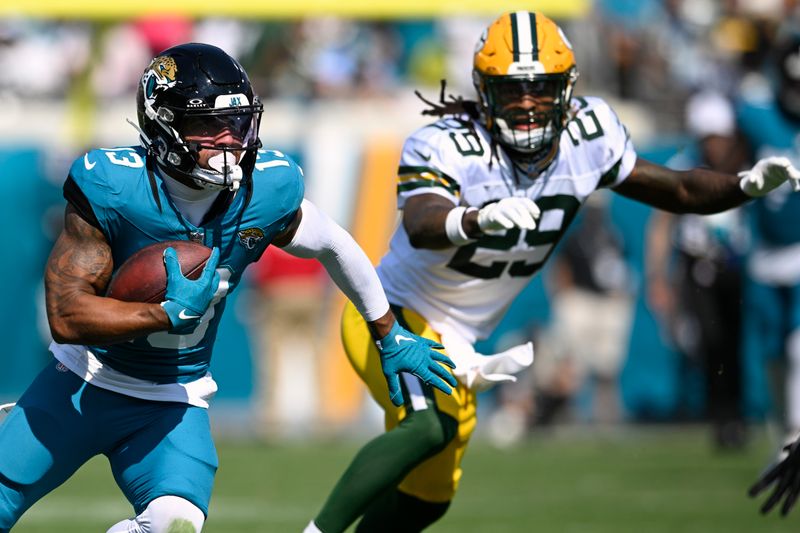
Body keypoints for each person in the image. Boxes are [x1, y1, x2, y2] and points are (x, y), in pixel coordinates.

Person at [304, 11, 800, 533]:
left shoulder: (589, 136)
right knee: (429, 428)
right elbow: (424, 220)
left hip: (460, 337)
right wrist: (475, 219)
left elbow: (675, 189)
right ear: (484, 91)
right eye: (512, 89)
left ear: (565, 89)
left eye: (540, 88)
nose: (525, 103)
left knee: (429, 498)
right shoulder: (448, 142)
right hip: (390, 316)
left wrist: (741, 187)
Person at [0, 43, 456, 533]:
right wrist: (165, 314)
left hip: (173, 400)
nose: (228, 140)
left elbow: (333, 244)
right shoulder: (115, 186)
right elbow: (66, 316)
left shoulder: (265, 190)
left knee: (175, 525)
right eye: (206, 126)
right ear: (163, 126)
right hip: (81, 382)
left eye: (237, 123)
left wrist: (387, 332)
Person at [646, 89, 750, 449]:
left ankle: (735, 415)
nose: (716, 146)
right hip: (697, 265)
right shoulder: (683, 164)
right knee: (708, 340)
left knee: (733, 343)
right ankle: (718, 415)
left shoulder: (746, 161)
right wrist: (657, 276)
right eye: (710, 138)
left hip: (738, 266)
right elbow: (661, 224)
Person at [742, 32, 800, 517]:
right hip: (764, 253)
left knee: (799, 347)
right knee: (772, 358)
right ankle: (786, 441)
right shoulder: (755, 112)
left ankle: (794, 443)